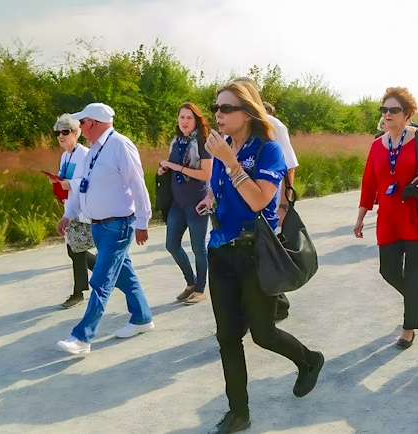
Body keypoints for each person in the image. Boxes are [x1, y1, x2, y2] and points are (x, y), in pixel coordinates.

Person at [199, 82, 323, 434]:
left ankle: (309, 360)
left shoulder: (269, 151)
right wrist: (211, 198)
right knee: (227, 337)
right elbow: (220, 188)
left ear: (248, 112)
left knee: (263, 335)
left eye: (226, 109)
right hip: (221, 250)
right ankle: (239, 413)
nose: (218, 115)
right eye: (216, 107)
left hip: (255, 253)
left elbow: (258, 201)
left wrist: (230, 162)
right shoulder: (223, 148)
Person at [354, 87, 418, 349]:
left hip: (417, 216)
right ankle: (415, 298)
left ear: (408, 114)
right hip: (388, 217)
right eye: (384, 110)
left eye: (393, 110)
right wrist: (361, 215)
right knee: (387, 270)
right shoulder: (378, 144)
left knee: (414, 273)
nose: (387, 114)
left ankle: (408, 327)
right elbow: (369, 182)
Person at [55, 102, 155, 355]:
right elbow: (83, 186)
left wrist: (143, 222)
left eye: (82, 123)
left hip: (118, 226)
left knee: (100, 280)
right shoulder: (93, 151)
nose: (79, 128)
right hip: (99, 227)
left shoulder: (120, 145)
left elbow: (138, 184)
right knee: (125, 275)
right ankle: (142, 319)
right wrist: (68, 215)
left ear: (93, 124)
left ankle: (81, 338)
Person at [233, 77, 298, 322]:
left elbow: (290, 167)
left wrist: (284, 204)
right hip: (242, 207)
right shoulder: (232, 129)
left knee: (267, 254)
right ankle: (270, 305)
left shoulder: (272, 125)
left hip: (268, 202)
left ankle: (273, 305)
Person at [158, 102, 213, 305]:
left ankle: (200, 289)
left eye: (189, 118)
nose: (184, 121)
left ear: (196, 120)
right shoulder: (177, 141)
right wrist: (164, 170)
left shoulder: (203, 143)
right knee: (171, 245)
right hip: (177, 201)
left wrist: (175, 166)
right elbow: (174, 167)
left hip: (197, 201)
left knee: (199, 248)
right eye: (182, 117)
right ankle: (190, 283)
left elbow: (206, 174)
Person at [50, 114, 96, 309]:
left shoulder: (85, 154)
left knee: (75, 250)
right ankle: (109, 271)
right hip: (70, 207)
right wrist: (56, 181)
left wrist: (69, 184)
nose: (61, 136)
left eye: (65, 132)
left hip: (82, 208)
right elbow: (65, 180)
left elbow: (88, 181)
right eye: (58, 132)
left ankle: (79, 293)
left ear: (76, 133)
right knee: (75, 250)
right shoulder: (65, 156)